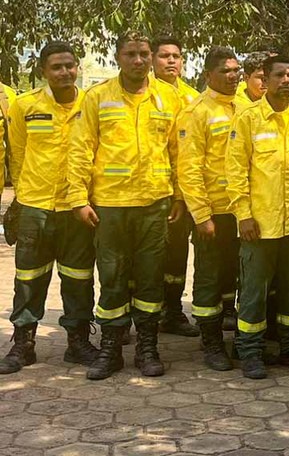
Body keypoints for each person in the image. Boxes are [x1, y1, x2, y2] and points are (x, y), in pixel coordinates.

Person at [68, 32, 186, 379]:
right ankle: (111, 348)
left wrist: (179, 195)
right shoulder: (98, 97)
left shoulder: (168, 98)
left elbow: (180, 151)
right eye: (131, 54)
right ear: (118, 57)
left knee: (150, 280)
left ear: (151, 57)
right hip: (111, 206)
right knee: (113, 278)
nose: (138, 60)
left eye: (144, 54)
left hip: (154, 204)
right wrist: (78, 199)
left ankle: (147, 348)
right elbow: (80, 150)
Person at [0, 42, 98, 374]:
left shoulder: (92, 104)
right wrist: (25, 199)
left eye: (70, 65)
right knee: (28, 277)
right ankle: (23, 344)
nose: (64, 72)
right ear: (43, 70)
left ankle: (78, 341)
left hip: (77, 207)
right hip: (35, 206)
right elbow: (18, 154)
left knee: (79, 276)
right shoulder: (25, 106)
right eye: (56, 67)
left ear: (78, 68)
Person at [225, 55, 289, 379]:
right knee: (254, 291)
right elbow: (236, 171)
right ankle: (250, 352)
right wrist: (243, 215)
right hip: (260, 224)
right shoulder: (248, 118)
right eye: (279, 75)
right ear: (264, 80)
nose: (285, 80)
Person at [176, 47, 243, 371]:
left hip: (242, 211)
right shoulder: (196, 112)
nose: (234, 76)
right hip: (212, 212)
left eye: (236, 70)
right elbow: (189, 168)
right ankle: (211, 342)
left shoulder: (244, 107)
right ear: (209, 75)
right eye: (227, 71)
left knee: (234, 274)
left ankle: (230, 335)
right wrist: (201, 216)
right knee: (209, 278)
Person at [151, 36, 201, 338]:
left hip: (182, 192)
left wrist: (183, 195)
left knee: (176, 254)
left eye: (177, 56)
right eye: (164, 56)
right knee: (142, 256)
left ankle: (172, 310)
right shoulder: (144, 93)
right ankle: (140, 313)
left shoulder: (193, 98)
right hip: (148, 189)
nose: (171, 61)